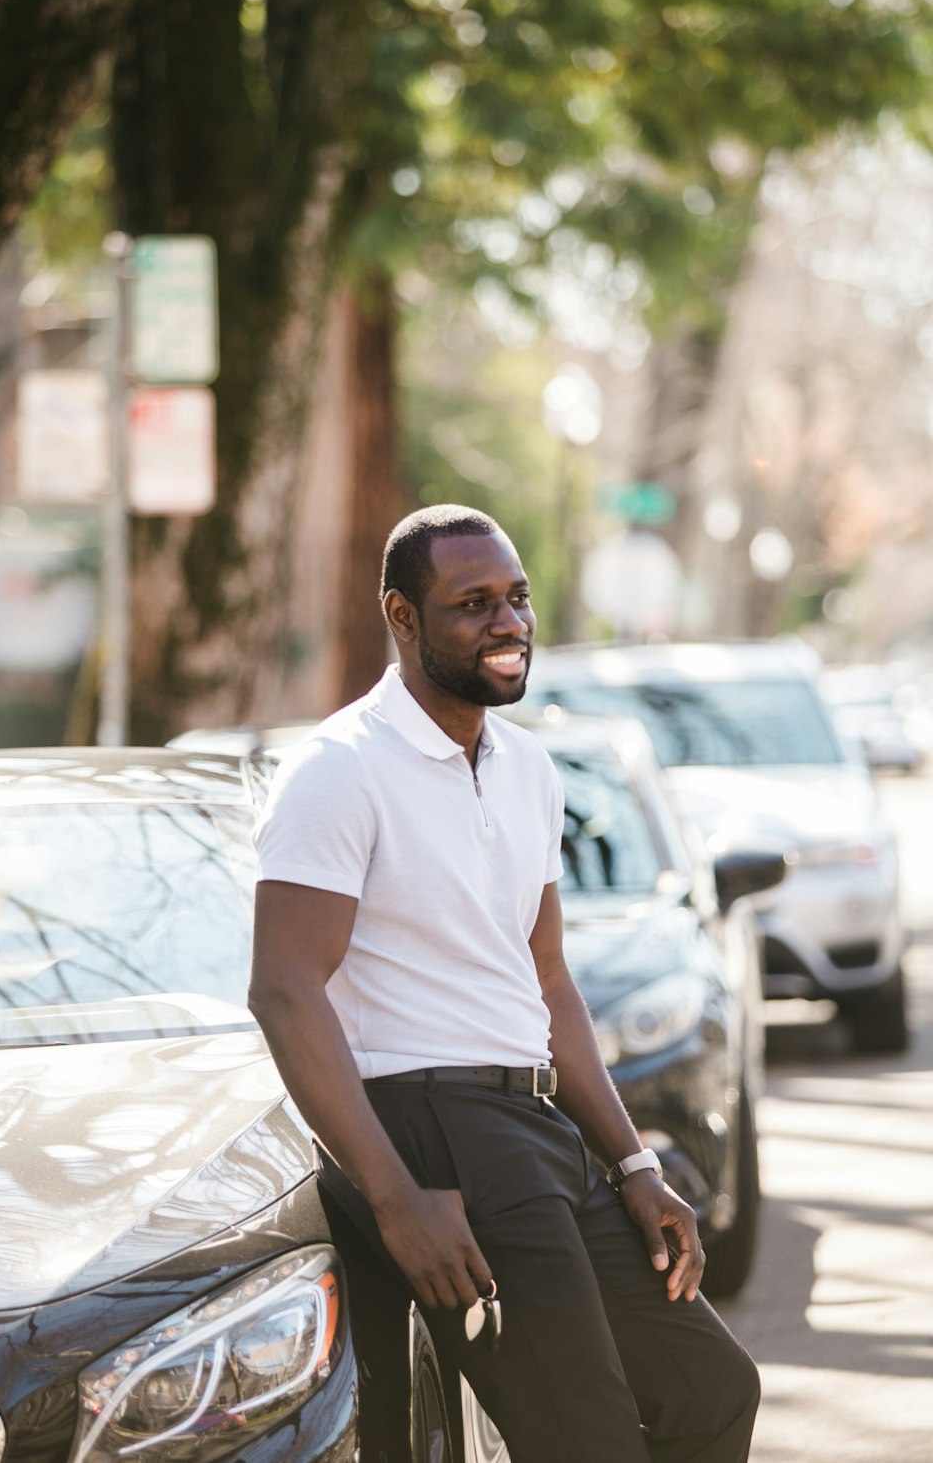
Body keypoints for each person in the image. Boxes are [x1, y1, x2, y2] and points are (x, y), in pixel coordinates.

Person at [248, 504, 760, 1463]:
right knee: (587, 1439)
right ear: (402, 619)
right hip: (432, 1129)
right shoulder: (339, 770)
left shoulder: (527, 766)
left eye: (517, 599)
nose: (509, 624)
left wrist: (636, 1164)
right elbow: (283, 990)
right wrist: (397, 1195)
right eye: (473, 604)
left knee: (711, 1387)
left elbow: (549, 980)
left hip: (537, 1130)